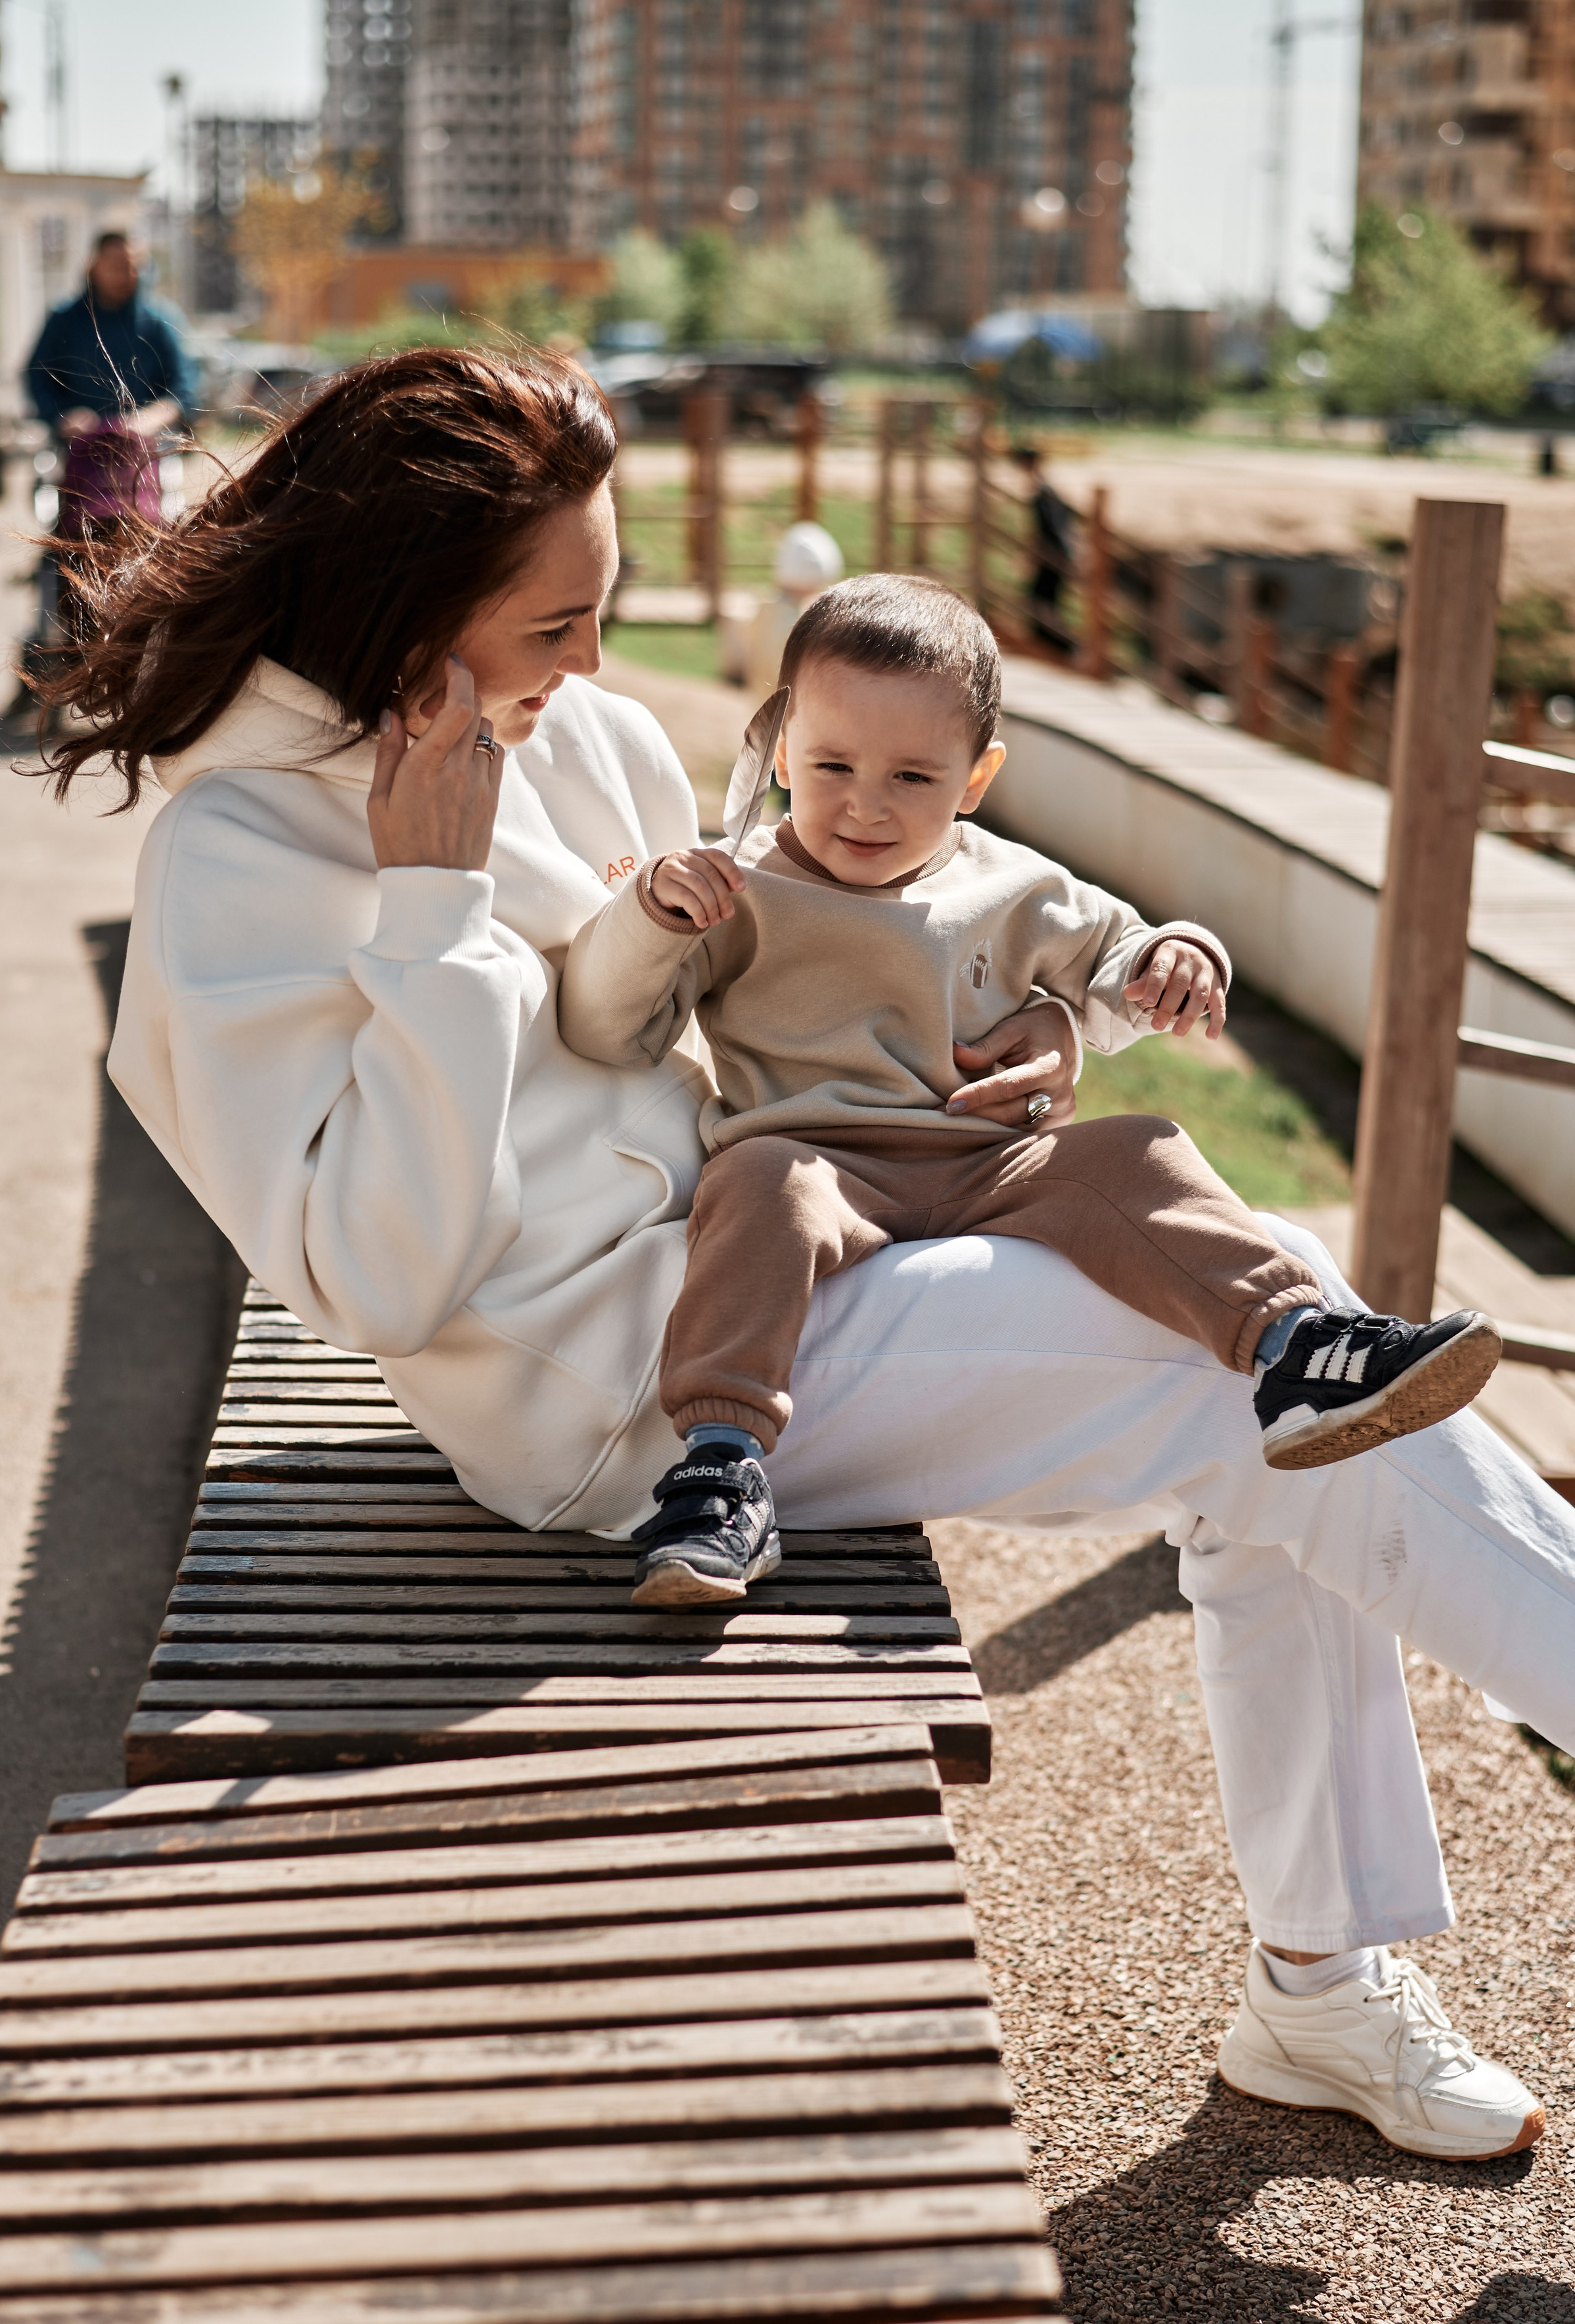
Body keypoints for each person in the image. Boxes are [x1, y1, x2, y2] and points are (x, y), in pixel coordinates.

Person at [53, 345, 1575, 2166]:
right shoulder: (233, 859)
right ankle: (1324, 1981)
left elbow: (775, 979)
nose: (594, 666)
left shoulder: (583, 738)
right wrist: (434, 906)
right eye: (553, 624)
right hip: (617, 1399)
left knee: (1283, 1333)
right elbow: (382, 1279)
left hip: (798, 1236)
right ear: (406, 605)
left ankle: (1317, 1985)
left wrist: (1011, 1035)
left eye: (603, 610)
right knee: (1242, 1365)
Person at [558, 576, 1500, 1607]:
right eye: (832, 765)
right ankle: (720, 1466)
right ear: (782, 749)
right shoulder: (735, 887)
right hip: (821, 1162)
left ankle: (1294, 1344)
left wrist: (1178, 955)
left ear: (976, 777)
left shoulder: (1010, 881)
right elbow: (606, 1023)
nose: (866, 803)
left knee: (1140, 1148)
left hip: (990, 1161)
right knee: (755, 1183)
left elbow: (1118, 953)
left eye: (913, 775)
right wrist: (651, 916)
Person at [22, 231, 197, 666]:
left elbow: (184, 387)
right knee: (64, 540)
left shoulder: (160, 322)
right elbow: (36, 377)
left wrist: (153, 418)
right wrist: (63, 418)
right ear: (95, 266)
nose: (128, 274)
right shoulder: (64, 321)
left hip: (143, 459)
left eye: (135, 265)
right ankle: (60, 631)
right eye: (119, 265)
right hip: (79, 460)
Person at [1013, 442, 1075, 656]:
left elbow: (1047, 528)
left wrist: (1037, 552)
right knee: (1044, 598)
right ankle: (1053, 642)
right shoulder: (1046, 488)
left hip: (1052, 553)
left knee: (1041, 598)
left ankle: (1057, 644)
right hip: (1056, 551)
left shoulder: (1042, 491)